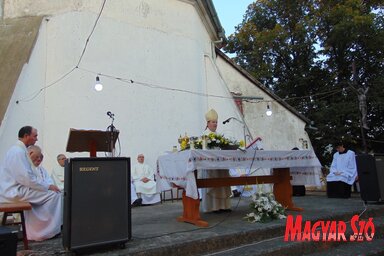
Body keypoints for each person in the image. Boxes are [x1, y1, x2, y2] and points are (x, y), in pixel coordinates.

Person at [0, 126, 62, 241]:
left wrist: (44, 186)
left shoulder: (18, 150)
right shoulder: (18, 152)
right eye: (35, 136)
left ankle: (37, 230)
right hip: (14, 191)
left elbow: (27, 177)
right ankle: (44, 232)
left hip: (18, 188)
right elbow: (25, 178)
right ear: (26, 136)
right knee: (55, 195)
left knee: (52, 193)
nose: (36, 139)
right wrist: (47, 186)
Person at [200, 109, 232, 213]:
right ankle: (213, 207)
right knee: (213, 183)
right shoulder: (204, 135)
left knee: (223, 183)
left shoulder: (219, 135)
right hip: (210, 165)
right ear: (208, 123)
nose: (215, 124)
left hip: (221, 164)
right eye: (213, 122)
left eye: (216, 122)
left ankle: (224, 206)